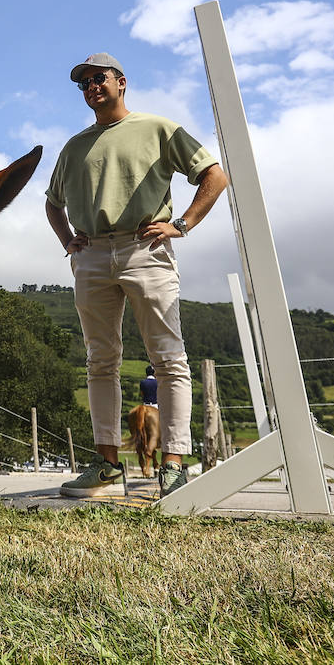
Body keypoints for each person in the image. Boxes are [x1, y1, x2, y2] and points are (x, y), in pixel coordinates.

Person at [45, 53, 228, 498]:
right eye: (83, 82)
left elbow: (215, 176)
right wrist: (69, 241)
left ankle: (172, 466)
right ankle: (107, 464)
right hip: (91, 253)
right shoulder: (73, 146)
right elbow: (52, 203)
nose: (91, 86)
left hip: (145, 247)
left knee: (168, 358)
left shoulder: (158, 129)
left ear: (121, 82)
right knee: (99, 360)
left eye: (98, 78)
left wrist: (181, 224)